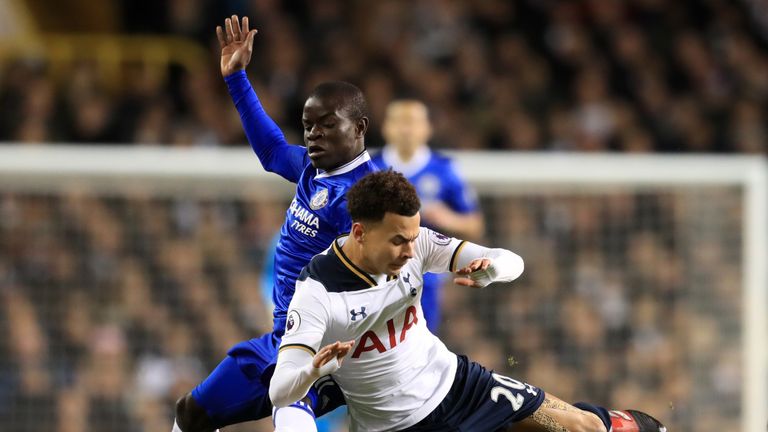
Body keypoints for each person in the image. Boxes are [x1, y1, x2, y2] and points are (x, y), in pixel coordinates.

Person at [269, 170, 667, 432]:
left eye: (412, 236)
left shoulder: (419, 243)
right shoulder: (316, 295)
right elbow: (280, 391)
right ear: (359, 232)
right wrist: (311, 371)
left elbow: (512, 261)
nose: (410, 251)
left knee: (586, 428)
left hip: (460, 384)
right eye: (397, 240)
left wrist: (491, 269)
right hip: (401, 425)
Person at [172, 15, 378, 432]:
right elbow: (270, 151)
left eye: (327, 125)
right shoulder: (310, 169)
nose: (314, 135)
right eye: (308, 126)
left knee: (290, 413)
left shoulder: (367, 197)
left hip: (324, 345)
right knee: (192, 413)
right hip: (280, 339)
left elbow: (385, 268)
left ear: (358, 129)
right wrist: (236, 79)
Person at [373, 99, 484, 333]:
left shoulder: (444, 169)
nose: (406, 129)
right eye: (399, 122)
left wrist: (447, 218)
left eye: (412, 122)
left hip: (425, 277)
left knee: (419, 344)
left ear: (427, 129)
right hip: (375, 274)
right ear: (386, 127)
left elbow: (475, 225)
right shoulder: (369, 168)